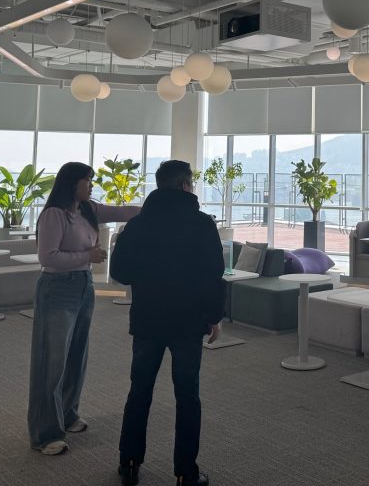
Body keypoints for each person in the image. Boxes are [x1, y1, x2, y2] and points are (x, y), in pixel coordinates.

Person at [110, 159, 225, 486]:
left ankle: (129, 463)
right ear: (185, 185)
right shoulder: (202, 224)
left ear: (160, 185)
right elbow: (213, 274)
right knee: (187, 396)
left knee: (139, 390)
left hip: (147, 319)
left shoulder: (138, 224)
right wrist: (214, 316)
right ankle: (185, 473)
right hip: (188, 322)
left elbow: (120, 272)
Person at [27, 161, 141, 456]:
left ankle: (67, 414)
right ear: (72, 183)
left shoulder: (88, 209)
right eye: (87, 180)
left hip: (83, 286)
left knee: (77, 354)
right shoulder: (54, 214)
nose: (91, 185)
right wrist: (86, 256)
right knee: (52, 360)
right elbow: (48, 258)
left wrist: (157, 207)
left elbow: (122, 212)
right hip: (57, 288)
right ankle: (45, 433)